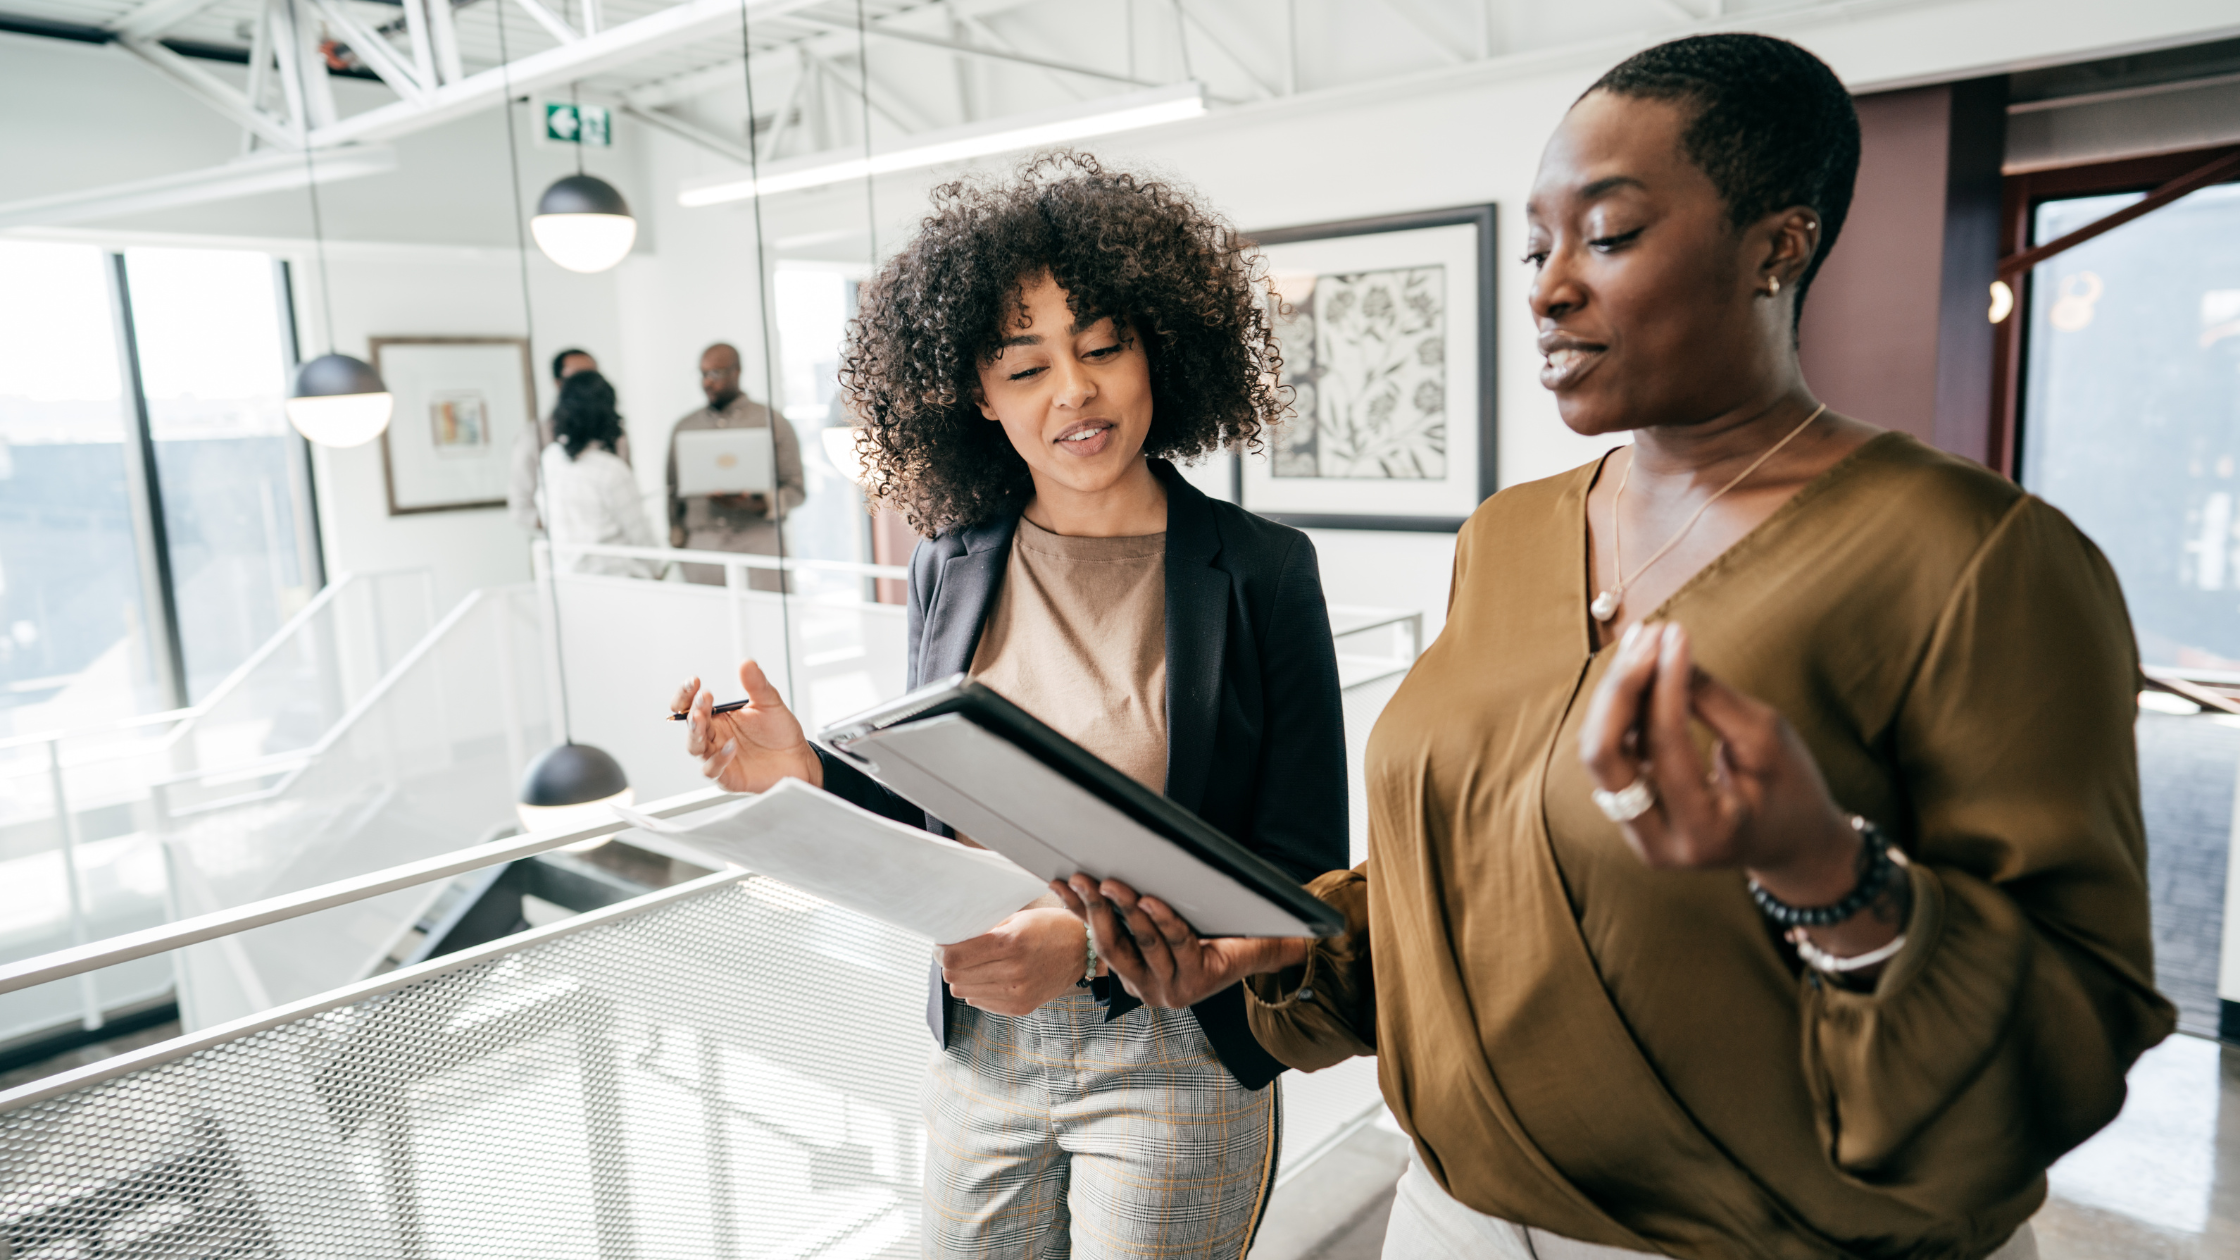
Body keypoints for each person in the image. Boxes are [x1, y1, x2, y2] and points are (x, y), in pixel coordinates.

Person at [1059, 34, 2174, 1260]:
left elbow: (2074, 1009)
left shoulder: (1970, 556)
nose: (1545, 287)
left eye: (1608, 235)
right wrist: (1295, 935)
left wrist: (1822, 872)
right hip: (1449, 1221)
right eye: (1537, 246)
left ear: (1776, 246)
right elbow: (1478, 882)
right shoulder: (1508, 536)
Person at [668, 152, 1347, 1258]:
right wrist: (806, 779)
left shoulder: (1262, 571)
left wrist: (1081, 949)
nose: (1072, 392)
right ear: (976, 395)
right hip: (981, 1045)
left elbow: (1301, 888)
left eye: (1101, 347)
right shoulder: (949, 563)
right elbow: (947, 816)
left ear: (1155, 353)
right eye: (1024, 367)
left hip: (1172, 1051)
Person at [664, 342, 805, 591]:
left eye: (715, 374)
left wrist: (757, 504)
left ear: (736, 372)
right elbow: (672, 491)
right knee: (706, 623)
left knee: (769, 619)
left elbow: (796, 489)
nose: (707, 382)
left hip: (758, 539)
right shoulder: (684, 427)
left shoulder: (772, 421)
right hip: (703, 544)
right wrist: (677, 540)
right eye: (703, 374)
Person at [539, 370, 658, 577]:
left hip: (568, 579)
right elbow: (639, 535)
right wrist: (658, 569)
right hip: (613, 581)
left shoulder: (550, 458)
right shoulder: (611, 470)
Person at [510, 347, 628, 533]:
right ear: (558, 384)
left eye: (592, 375)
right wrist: (570, 527)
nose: (587, 384)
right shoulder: (535, 438)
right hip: (561, 554)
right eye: (576, 378)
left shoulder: (616, 435)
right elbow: (521, 508)